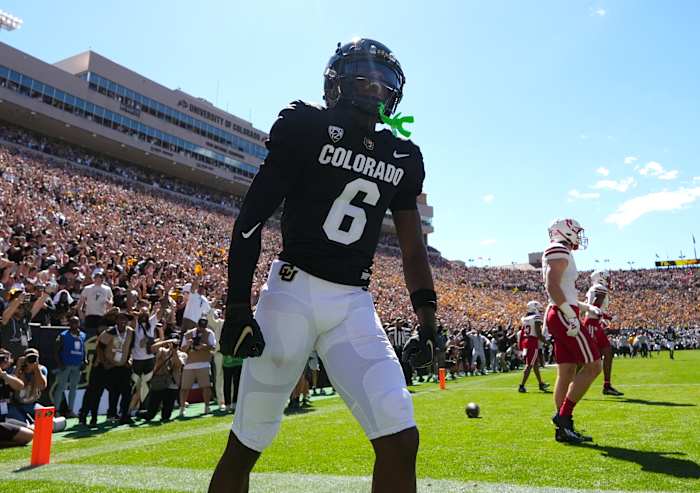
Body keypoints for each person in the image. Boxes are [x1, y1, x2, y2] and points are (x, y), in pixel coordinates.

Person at [210, 38, 437, 493]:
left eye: (383, 83)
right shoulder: (305, 125)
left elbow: (413, 251)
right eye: (362, 79)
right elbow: (252, 220)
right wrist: (237, 307)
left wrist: (428, 321)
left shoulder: (403, 156)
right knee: (247, 443)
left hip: (354, 302)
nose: (373, 90)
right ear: (335, 82)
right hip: (291, 294)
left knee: (400, 435)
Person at [542, 219, 602, 444]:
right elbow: (552, 286)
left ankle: (564, 430)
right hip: (561, 313)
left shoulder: (559, 250)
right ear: (565, 231)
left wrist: (585, 307)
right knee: (594, 365)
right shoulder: (559, 248)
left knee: (566, 372)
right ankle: (563, 417)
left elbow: (563, 290)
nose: (578, 235)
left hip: (560, 310)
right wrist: (569, 314)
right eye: (576, 231)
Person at [582, 270, 623, 396]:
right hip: (591, 324)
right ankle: (571, 384)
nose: (609, 280)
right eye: (607, 278)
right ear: (601, 278)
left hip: (594, 323)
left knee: (607, 353)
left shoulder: (593, 288)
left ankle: (607, 385)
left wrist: (602, 320)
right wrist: (609, 317)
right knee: (588, 360)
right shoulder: (600, 288)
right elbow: (595, 308)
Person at [179, 316, 216, 417]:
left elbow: (213, 346)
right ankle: (182, 408)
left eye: (203, 327)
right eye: (200, 326)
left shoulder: (209, 333)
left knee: (206, 386)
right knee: (184, 388)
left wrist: (203, 347)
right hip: (189, 364)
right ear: (197, 325)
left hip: (204, 363)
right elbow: (182, 349)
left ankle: (207, 406)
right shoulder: (188, 334)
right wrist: (189, 344)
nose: (202, 329)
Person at [52, 315, 87, 416]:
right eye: (72, 322)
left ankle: (70, 410)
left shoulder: (83, 335)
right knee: (61, 387)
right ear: (69, 324)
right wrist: (60, 364)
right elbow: (56, 351)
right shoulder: (63, 336)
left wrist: (84, 360)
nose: (75, 325)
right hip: (66, 365)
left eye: (76, 322)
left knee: (73, 388)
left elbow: (83, 349)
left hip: (77, 366)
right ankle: (56, 411)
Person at [6, 348, 48, 424]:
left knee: (47, 420)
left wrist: (36, 369)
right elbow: (12, 386)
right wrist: (18, 366)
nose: (31, 359)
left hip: (32, 404)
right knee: (21, 423)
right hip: (16, 404)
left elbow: (42, 386)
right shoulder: (16, 369)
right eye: (29, 357)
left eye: (34, 357)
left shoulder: (41, 369)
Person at [518, 301, 549, 393]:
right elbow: (538, 333)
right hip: (532, 342)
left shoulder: (525, 318)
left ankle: (541, 383)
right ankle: (521, 385)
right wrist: (546, 342)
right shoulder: (535, 317)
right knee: (529, 365)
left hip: (526, 341)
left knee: (535, 365)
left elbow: (523, 333)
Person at [76, 269, 113, 336]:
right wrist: (81, 315)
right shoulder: (87, 288)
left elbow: (111, 300)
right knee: (90, 337)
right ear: (94, 278)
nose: (99, 279)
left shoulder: (107, 289)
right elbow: (80, 303)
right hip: (90, 316)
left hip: (102, 316)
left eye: (101, 278)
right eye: (97, 277)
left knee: (101, 337)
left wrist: (109, 303)